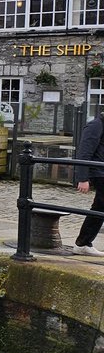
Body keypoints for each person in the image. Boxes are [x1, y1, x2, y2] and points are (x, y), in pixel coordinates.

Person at [73, 109, 104, 255]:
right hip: (99, 172)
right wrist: (83, 178)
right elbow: (84, 152)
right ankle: (83, 243)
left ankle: (83, 243)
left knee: (100, 206)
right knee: (100, 206)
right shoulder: (96, 125)